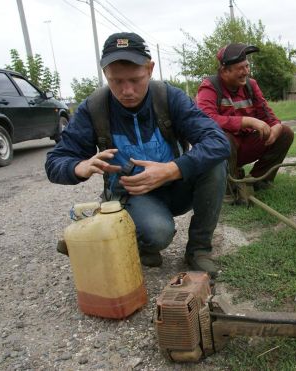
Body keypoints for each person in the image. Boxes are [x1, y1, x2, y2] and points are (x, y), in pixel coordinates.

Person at [45, 32, 230, 278]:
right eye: (116, 81)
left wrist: (171, 170)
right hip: (133, 196)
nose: (127, 90)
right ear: (105, 74)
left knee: (215, 163)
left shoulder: (169, 97)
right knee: (158, 234)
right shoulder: (94, 108)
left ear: (150, 69)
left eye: (135, 79)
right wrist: (78, 166)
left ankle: (198, 250)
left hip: (175, 186)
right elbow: (54, 162)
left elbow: (218, 142)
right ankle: (141, 241)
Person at [196, 43, 294, 191]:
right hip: (222, 150)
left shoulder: (251, 85)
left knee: (285, 133)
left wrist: (276, 126)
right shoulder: (209, 86)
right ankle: (230, 185)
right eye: (240, 68)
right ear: (224, 71)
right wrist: (247, 121)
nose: (246, 72)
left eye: (247, 66)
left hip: (244, 145)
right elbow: (206, 119)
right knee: (224, 138)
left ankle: (259, 180)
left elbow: (266, 112)